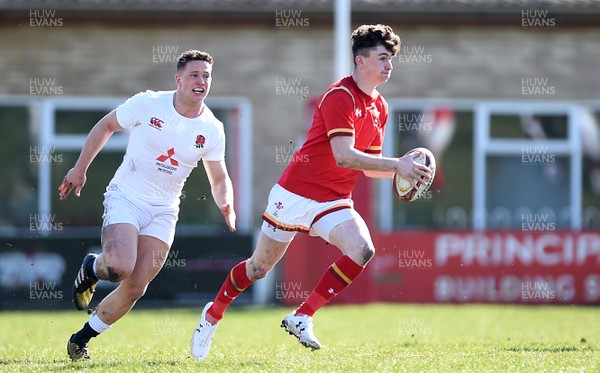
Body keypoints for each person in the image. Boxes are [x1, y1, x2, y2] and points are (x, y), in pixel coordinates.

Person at [190, 24, 433, 361]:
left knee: (363, 251)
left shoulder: (381, 106)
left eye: (391, 58)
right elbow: (343, 155)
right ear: (360, 61)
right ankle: (212, 315)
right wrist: (398, 166)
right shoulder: (340, 96)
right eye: (382, 57)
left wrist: (405, 177)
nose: (389, 64)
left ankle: (302, 315)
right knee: (259, 269)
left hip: (333, 199)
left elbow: (366, 166)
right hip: (295, 193)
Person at [58, 49, 236, 361]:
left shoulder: (212, 128)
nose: (201, 81)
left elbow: (219, 178)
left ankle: (80, 340)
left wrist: (227, 205)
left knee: (136, 286)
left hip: (165, 210)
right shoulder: (148, 102)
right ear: (178, 79)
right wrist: (80, 168)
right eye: (194, 75)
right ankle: (92, 267)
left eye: (206, 76)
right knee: (118, 268)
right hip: (126, 197)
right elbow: (106, 126)